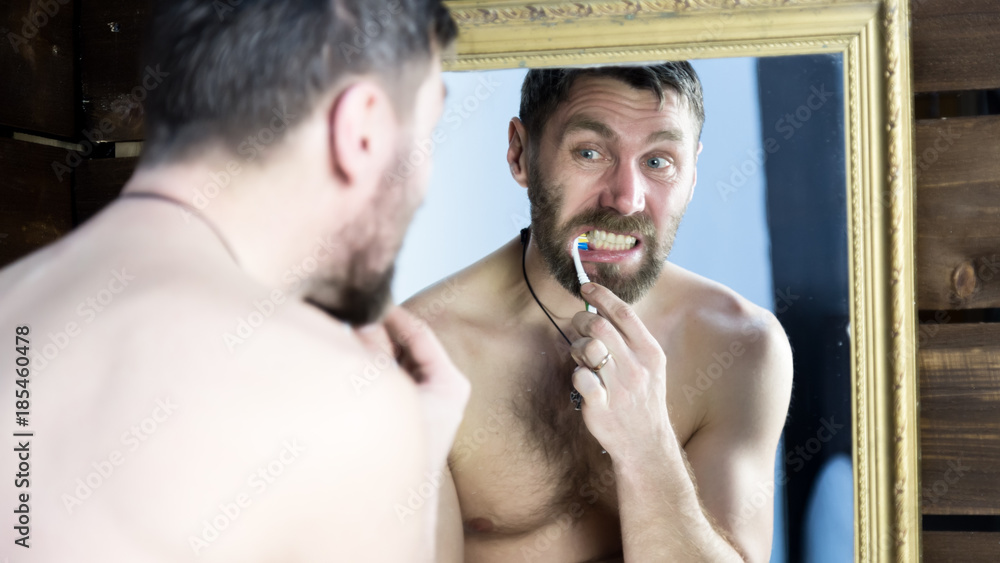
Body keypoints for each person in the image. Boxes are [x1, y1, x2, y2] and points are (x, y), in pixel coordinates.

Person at [0, 1, 468, 560]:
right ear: (362, 128)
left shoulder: (17, 294)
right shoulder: (339, 409)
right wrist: (403, 464)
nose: (424, 181)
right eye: (427, 131)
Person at [404, 63, 794, 562]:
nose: (626, 198)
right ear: (521, 154)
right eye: (590, 152)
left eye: (659, 161)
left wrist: (647, 447)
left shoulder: (741, 347)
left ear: (693, 173)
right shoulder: (422, 354)